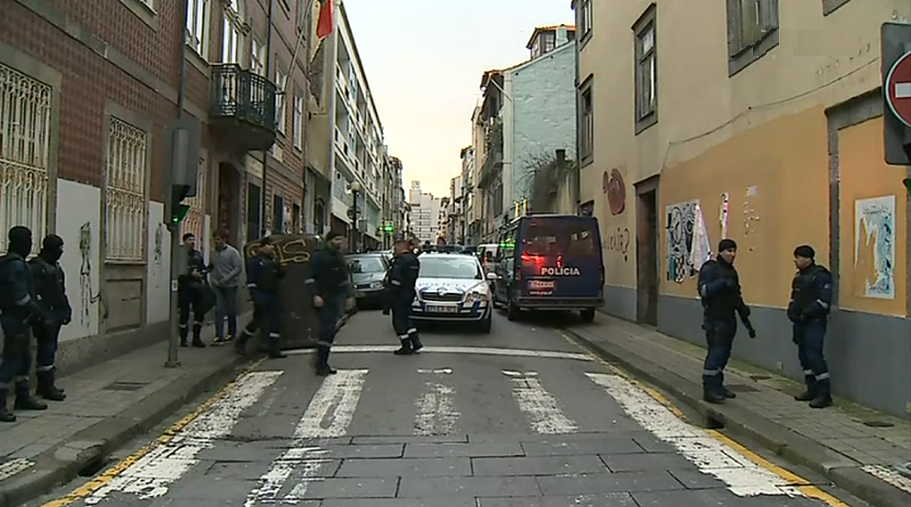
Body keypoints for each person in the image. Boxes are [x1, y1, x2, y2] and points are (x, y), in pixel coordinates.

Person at [0, 226, 50, 422]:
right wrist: (38, 312)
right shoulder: (15, 265)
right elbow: (20, 296)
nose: (30, 244)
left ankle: (23, 396)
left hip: (20, 319)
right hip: (15, 319)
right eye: (28, 239)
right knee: (12, 360)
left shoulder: (14, 262)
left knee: (24, 358)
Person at [696, 238, 754, 404]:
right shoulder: (710, 268)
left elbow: (736, 295)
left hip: (729, 317)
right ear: (720, 252)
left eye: (734, 251)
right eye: (728, 251)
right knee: (716, 353)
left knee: (724, 354)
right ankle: (709, 389)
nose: (732, 254)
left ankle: (718, 385)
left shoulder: (731, 271)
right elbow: (704, 290)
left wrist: (743, 311)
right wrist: (721, 284)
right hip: (715, 319)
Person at [787, 245, 833, 409]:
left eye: (798, 257)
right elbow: (795, 297)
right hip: (800, 322)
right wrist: (792, 310)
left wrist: (808, 313)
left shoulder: (820, 276)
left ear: (807, 259)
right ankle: (811, 389)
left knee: (814, 356)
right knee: (804, 357)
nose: (795, 260)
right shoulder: (799, 277)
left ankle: (824, 394)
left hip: (814, 322)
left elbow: (824, 301)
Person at [29, 234, 72, 401]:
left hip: (55, 314)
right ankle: (46, 386)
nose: (61, 252)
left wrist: (66, 309)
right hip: (44, 316)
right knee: (46, 351)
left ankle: (46, 385)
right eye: (58, 248)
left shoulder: (55, 266)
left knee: (49, 350)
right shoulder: (37, 267)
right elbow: (34, 295)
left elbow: (60, 291)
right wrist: (43, 316)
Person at [306, 231, 349, 375]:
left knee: (330, 331)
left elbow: (343, 277)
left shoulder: (338, 257)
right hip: (322, 298)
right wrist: (315, 295)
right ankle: (320, 363)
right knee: (327, 329)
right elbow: (310, 278)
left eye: (340, 240)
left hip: (334, 297)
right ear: (329, 240)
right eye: (336, 239)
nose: (339, 242)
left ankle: (321, 360)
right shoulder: (319, 256)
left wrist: (347, 296)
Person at [235, 237, 286, 359]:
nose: (272, 247)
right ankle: (241, 342)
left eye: (272, 245)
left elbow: (280, 276)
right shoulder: (255, 261)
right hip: (262, 294)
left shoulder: (273, 261)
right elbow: (251, 281)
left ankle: (274, 349)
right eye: (269, 245)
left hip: (274, 295)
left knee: (275, 322)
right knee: (258, 321)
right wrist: (255, 296)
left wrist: (279, 265)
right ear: (262, 247)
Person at [383, 237, 423, 355]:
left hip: (399, 294)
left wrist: (389, 297)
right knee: (407, 319)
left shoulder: (400, 261)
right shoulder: (414, 260)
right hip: (409, 292)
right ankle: (416, 343)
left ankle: (406, 345)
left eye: (396, 247)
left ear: (401, 247)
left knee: (399, 321)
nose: (394, 249)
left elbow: (395, 279)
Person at [209, 229, 242, 345]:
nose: (216, 242)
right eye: (215, 239)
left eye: (218, 239)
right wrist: (212, 279)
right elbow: (212, 267)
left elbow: (238, 268)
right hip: (218, 286)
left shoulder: (233, 252)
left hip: (230, 286)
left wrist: (226, 278)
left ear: (224, 240)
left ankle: (231, 333)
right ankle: (219, 335)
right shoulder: (213, 253)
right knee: (219, 310)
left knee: (231, 310)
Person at [177, 233, 208, 348]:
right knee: (184, 314)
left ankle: (196, 338)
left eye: (193, 240)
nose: (192, 242)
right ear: (184, 241)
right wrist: (191, 274)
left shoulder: (198, 255)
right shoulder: (181, 255)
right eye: (190, 240)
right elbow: (179, 272)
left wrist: (203, 273)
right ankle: (183, 339)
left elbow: (203, 268)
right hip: (185, 288)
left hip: (197, 289)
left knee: (199, 314)